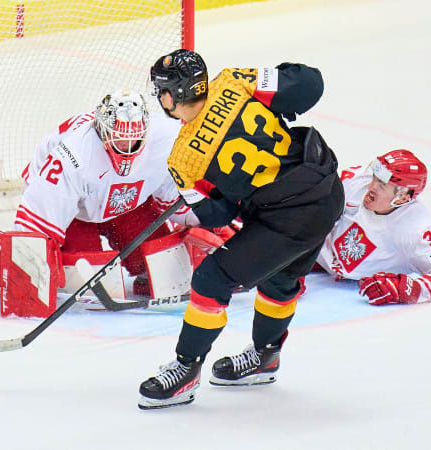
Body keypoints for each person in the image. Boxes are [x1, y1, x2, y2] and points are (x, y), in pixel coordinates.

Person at [137, 49, 344, 409]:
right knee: (279, 278)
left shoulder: (182, 160)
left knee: (210, 280)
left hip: (287, 219)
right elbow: (310, 85)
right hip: (325, 189)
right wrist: (275, 80)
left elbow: (218, 216)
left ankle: (185, 371)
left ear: (170, 96)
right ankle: (266, 356)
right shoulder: (235, 80)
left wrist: (208, 188)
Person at [14, 89, 201, 296]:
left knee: (165, 269)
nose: (128, 149)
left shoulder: (167, 139)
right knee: (89, 283)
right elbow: (37, 221)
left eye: (134, 141)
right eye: (120, 141)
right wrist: (29, 270)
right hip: (71, 213)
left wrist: (204, 220)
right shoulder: (74, 153)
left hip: (126, 202)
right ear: (102, 132)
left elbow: (172, 196)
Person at [314, 150, 431, 305]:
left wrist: (409, 288)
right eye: (375, 177)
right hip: (315, 256)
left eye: (382, 185)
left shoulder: (415, 228)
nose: (371, 187)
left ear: (402, 197)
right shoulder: (357, 180)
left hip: (345, 288)